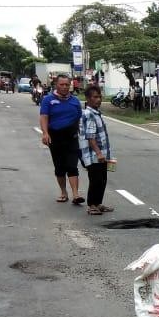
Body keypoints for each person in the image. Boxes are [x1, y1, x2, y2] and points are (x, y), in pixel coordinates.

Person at [39, 75, 84, 204]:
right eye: (62, 84)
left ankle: (76, 194)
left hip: (72, 138)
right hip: (55, 138)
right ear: (56, 85)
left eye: (67, 84)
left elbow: (79, 118)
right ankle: (64, 192)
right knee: (59, 167)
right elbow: (44, 117)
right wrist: (45, 133)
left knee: (72, 165)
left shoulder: (75, 101)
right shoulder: (48, 100)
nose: (64, 87)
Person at [79, 85, 114, 216]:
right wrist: (98, 153)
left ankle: (98, 203)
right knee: (95, 180)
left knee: (102, 179)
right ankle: (92, 205)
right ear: (88, 99)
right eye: (95, 97)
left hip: (101, 154)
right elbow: (90, 136)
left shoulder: (96, 113)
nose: (98, 99)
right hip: (94, 155)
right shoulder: (89, 114)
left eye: (99, 97)